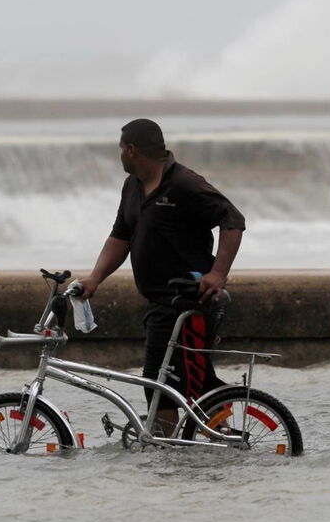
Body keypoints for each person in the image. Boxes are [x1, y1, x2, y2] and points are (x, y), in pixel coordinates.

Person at [80, 118, 245, 431]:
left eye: (121, 149)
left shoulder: (184, 183)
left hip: (190, 300)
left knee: (174, 383)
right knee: (169, 383)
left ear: (132, 150)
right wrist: (94, 278)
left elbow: (233, 220)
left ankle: (205, 441)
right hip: (160, 304)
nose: (120, 155)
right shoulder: (132, 186)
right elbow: (121, 236)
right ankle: (188, 442)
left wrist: (217, 274)